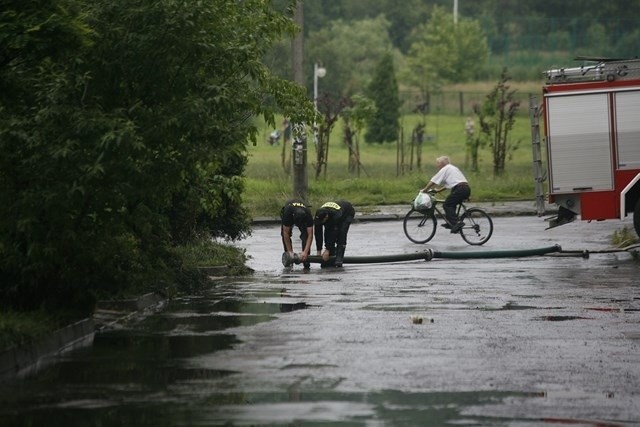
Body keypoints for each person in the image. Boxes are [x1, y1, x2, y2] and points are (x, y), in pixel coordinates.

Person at [421, 156, 470, 234]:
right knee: (451, 204)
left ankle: (457, 223)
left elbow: (433, 180)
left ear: (442, 163)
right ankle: (451, 223)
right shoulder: (452, 168)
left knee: (447, 205)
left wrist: (425, 189)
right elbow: (450, 184)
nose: (437, 165)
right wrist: (438, 190)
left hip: (459, 189)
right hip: (465, 188)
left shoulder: (445, 168)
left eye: (438, 163)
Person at [314, 200, 355, 268]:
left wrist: (327, 250)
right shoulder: (319, 214)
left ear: (326, 217)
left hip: (347, 213)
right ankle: (330, 257)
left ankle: (339, 257)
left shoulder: (336, 216)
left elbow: (333, 233)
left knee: (341, 233)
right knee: (327, 233)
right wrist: (319, 251)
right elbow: (318, 233)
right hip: (334, 213)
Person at [281, 199, 314, 269]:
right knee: (284, 234)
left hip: (303, 214)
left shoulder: (308, 215)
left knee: (305, 235)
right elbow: (285, 233)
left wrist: (305, 252)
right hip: (289, 211)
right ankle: (289, 260)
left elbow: (310, 235)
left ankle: (306, 261)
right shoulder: (287, 213)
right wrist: (290, 252)